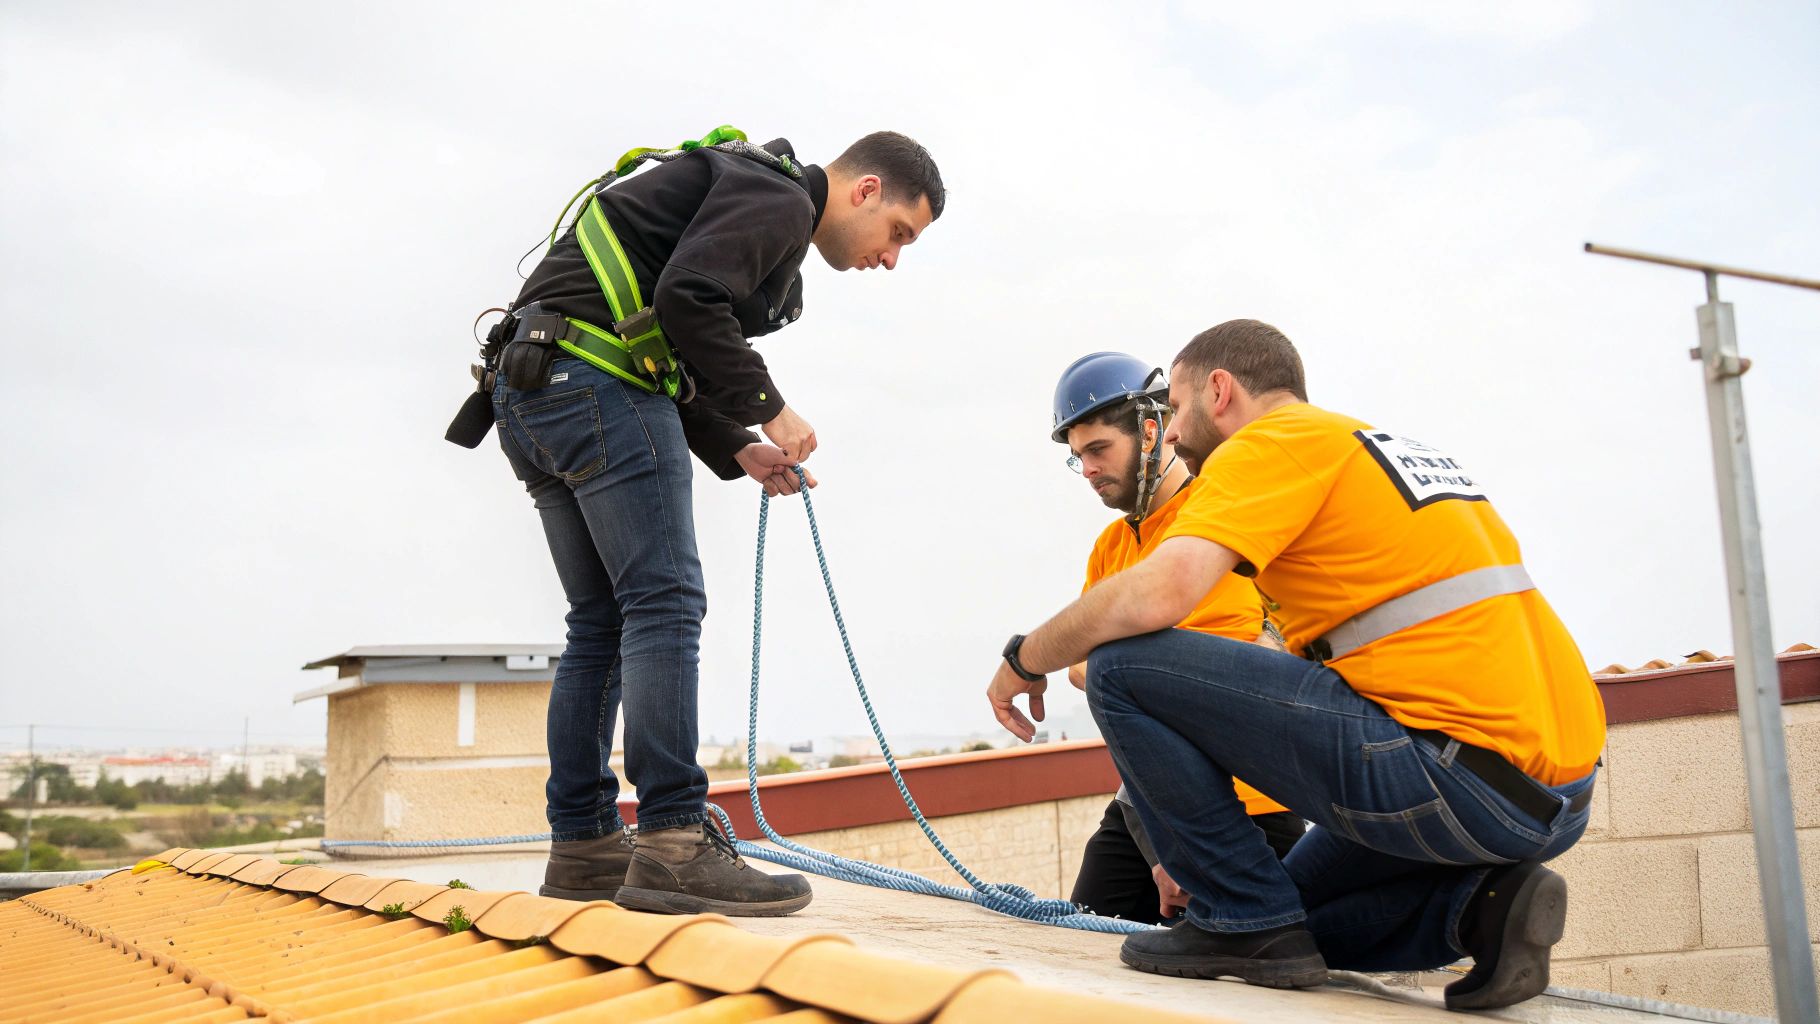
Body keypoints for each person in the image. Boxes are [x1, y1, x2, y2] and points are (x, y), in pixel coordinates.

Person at [988, 320, 1604, 1008]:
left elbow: (1161, 594)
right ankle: (1484, 909)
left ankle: (1237, 918)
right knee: (1290, 931)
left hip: (1451, 773)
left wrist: (1026, 657)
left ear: (1221, 391)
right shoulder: (1377, 447)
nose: (1177, 434)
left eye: (1180, 409)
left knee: (1120, 667)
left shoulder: (1271, 442)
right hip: (1554, 796)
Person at [483, 129, 944, 916]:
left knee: (599, 621)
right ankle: (673, 844)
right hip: (593, 383)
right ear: (866, 190)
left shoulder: (736, 188)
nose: (892, 258)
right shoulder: (777, 197)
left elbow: (662, 336)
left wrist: (737, 444)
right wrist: (772, 409)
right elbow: (688, 301)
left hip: (530, 388)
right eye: (899, 232)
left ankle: (586, 845)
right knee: (664, 604)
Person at [1049, 352, 1302, 925]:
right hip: (1146, 801)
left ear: (1150, 429)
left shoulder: (1221, 514)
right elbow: (1082, 669)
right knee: (1082, 942)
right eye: (1076, 458)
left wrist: (1128, 661)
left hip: (1251, 803)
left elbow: (1252, 662)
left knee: (1246, 985)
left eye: (1097, 450)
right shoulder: (1112, 548)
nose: (1087, 470)